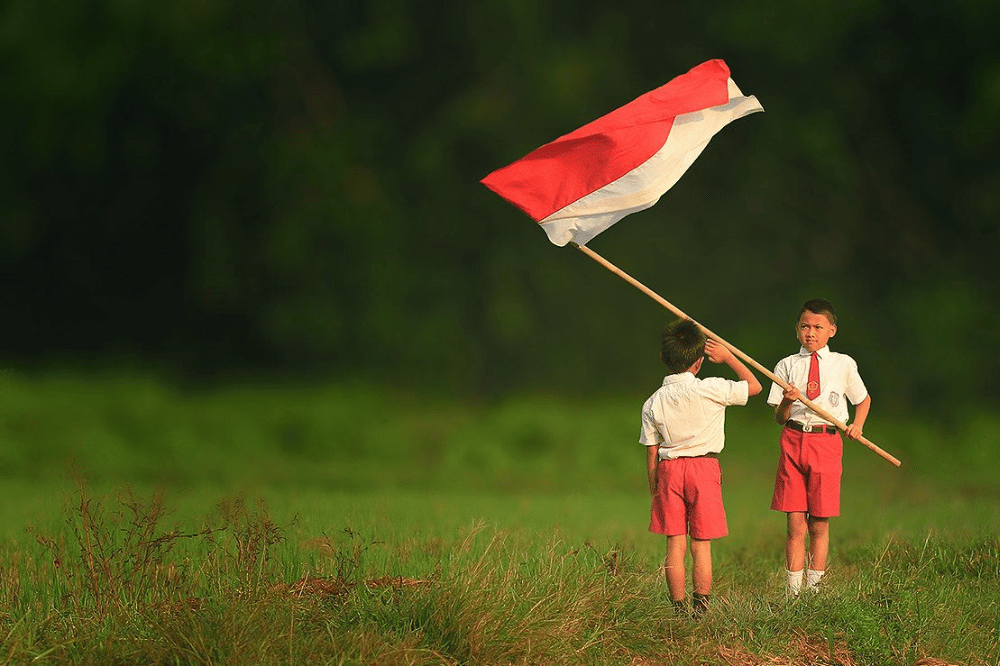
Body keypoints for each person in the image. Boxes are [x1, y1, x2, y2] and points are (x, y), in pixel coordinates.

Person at [641, 319, 762, 617]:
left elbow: (652, 451)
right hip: (704, 470)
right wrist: (730, 357)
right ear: (698, 362)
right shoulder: (712, 389)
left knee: (675, 543)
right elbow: (755, 386)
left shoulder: (652, 402)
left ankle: (678, 609)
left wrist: (654, 485)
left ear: (662, 358)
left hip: (668, 471)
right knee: (701, 544)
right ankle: (701, 608)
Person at [767, 298, 871, 597]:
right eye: (804, 326)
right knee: (795, 522)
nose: (810, 333)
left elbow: (862, 400)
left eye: (817, 327)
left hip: (826, 441)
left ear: (831, 330)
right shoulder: (786, 365)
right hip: (794, 439)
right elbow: (779, 417)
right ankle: (793, 594)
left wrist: (857, 425)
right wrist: (788, 400)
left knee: (820, 521)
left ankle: (814, 593)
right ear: (797, 330)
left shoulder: (843, 363)